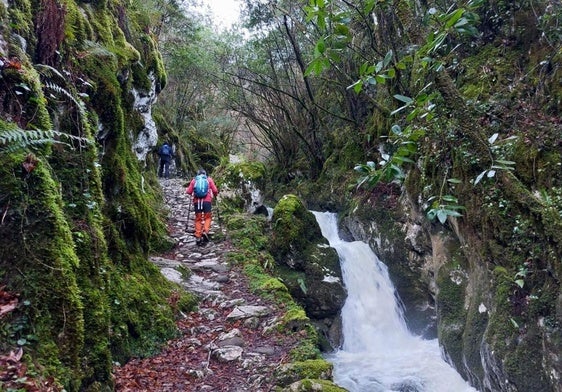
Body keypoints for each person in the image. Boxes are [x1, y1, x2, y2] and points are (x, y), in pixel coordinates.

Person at [186, 169, 219, 246]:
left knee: (198, 218)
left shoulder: (194, 180)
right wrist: (215, 194)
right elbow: (215, 190)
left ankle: (198, 235)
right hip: (207, 202)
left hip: (197, 202)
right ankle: (205, 231)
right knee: (208, 217)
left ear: (198, 174)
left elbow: (188, 191)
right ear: (205, 174)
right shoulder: (209, 180)